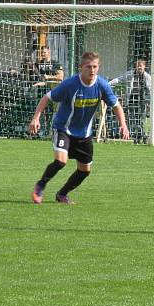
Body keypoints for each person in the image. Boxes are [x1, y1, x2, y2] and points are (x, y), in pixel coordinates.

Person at [30, 51, 130, 204]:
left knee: (85, 171)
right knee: (61, 161)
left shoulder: (102, 85)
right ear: (81, 67)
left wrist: (123, 124)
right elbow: (47, 98)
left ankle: (62, 194)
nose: (92, 70)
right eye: (88, 67)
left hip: (84, 134)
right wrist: (36, 118)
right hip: (64, 129)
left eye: (95, 67)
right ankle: (41, 185)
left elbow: (116, 105)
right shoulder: (70, 84)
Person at [110, 58, 152, 144]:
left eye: (141, 66)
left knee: (141, 119)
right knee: (133, 119)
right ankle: (139, 136)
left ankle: (141, 136)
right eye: (137, 66)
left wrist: (149, 102)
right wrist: (109, 83)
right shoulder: (130, 74)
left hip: (142, 100)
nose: (139, 68)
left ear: (144, 67)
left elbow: (150, 90)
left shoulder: (147, 77)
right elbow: (119, 79)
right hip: (132, 99)